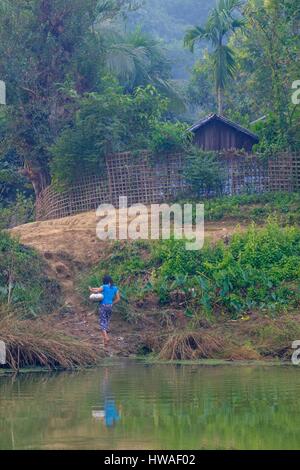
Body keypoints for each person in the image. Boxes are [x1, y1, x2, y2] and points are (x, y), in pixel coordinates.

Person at [89, 275, 120, 344]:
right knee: (106, 321)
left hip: (103, 306)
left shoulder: (104, 287)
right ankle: (105, 342)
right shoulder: (115, 288)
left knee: (102, 322)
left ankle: (106, 337)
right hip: (110, 306)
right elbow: (118, 299)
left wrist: (91, 290)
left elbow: (97, 291)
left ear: (104, 281)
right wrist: (112, 303)